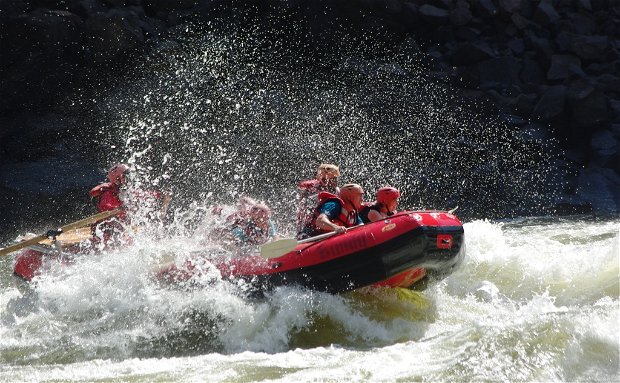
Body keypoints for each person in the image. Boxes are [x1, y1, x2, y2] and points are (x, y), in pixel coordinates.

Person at [299, 183, 364, 238]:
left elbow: (361, 226)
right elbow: (320, 221)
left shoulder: (353, 213)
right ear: (349, 197)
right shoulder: (334, 205)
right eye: (360, 196)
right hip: (310, 236)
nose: (362, 199)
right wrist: (336, 228)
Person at [296, 163, 341, 234]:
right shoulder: (312, 187)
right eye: (329, 179)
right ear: (320, 176)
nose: (332, 182)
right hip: (311, 222)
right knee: (307, 228)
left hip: (327, 219)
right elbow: (303, 206)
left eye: (335, 179)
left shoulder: (337, 190)